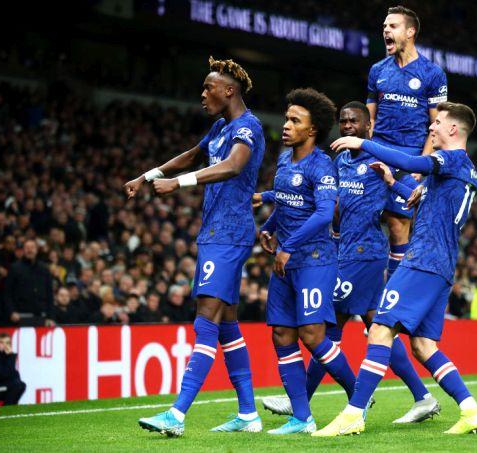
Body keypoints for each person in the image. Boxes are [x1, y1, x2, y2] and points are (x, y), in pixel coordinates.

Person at [314, 102, 477, 437]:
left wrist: (362, 143)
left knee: (380, 329)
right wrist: (393, 183)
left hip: (422, 260)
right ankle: (471, 409)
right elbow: (425, 202)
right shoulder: (465, 171)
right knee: (423, 346)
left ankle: (352, 415)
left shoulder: (449, 159)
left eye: (437, 123)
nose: (431, 128)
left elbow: (412, 162)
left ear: (454, 130)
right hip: (442, 265)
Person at [261, 101, 438, 424]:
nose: (347, 127)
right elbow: (318, 197)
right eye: (343, 122)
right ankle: (422, 396)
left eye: (354, 122)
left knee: (326, 327)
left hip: (364, 255)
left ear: (368, 127)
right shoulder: (339, 161)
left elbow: (413, 197)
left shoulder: (381, 159)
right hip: (343, 252)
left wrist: (393, 184)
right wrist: (270, 200)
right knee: (378, 326)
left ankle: (302, 400)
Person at [129, 57, 265, 436]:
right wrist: (148, 175)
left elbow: (235, 166)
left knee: (205, 318)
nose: (203, 94)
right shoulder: (220, 127)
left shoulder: (247, 127)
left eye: (209, 88)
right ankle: (249, 414)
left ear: (229, 90)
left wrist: (180, 184)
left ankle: (176, 414)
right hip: (215, 234)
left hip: (230, 234)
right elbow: (192, 155)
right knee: (226, 326)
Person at [259, 88, 357, 435]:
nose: (285, 125)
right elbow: (286, 203)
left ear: (312, 129)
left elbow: (322, 215)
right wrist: (268, 228)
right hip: (286, 261)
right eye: (287, 118)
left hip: (315, 260)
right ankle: (302, 417)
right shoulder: (285, 159)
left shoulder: (322, 165)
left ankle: (357, 397)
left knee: (313, 335)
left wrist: (288, 246)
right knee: (282, 334)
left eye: (294, 120)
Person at [366, 5, 448, 277]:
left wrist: (422, 164)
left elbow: (437, 125)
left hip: (410, 158)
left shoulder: (432, 73)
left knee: (398, 225)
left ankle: (394, 290)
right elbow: (370, 119)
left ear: (410, 32)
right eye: (384, 27)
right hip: (376, 153)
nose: (386, 30)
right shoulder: (378, 70)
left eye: (392, 26)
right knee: (350, 212)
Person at [3, 239, 55, 327]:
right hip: (20, 316)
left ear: (37, 250)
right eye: (27, 248)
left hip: (41, 316)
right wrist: (11, 311)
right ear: (23, 250)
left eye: (32, 247)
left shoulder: (44, 268)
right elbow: (7, 292)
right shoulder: (15, 268)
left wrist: (50, 316)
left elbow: (49, 293)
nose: (29, 250)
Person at [0, 332, 26, 405]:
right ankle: (7, 407)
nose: (5, 345)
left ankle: (10, 407)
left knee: (21, 384)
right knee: (17, 385)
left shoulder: (4, 355)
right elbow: (3, 375)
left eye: (7, 343)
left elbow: (13, 373)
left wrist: (10, 357)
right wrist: (11, 356)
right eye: (1, 342)